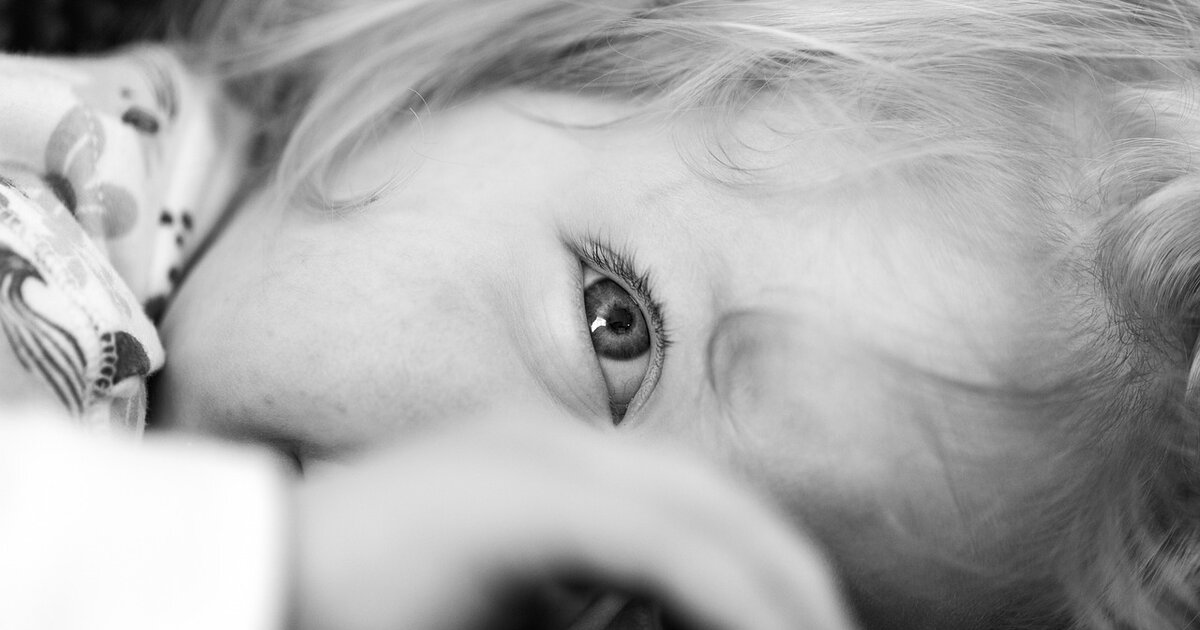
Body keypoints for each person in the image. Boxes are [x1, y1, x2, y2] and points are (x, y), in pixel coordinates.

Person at [6, 0, 1200, 628]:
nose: (536, 526)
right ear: (494, 68)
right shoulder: (41, 225)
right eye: (614, 328)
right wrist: (268, 578)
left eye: (670, 605)